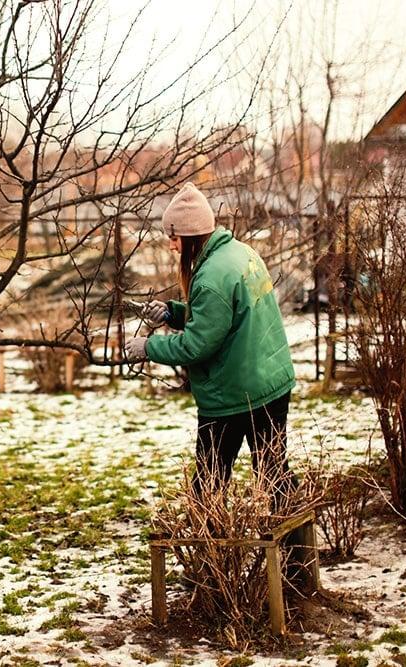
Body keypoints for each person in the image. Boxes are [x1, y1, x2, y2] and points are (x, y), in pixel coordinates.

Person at [124, 182, 297, 502]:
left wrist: (148, 348)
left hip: (233, 394)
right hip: (269, 383)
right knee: (275, 476)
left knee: (209, 483)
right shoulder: (241, 253)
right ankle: (297, 548)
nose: (172, 247)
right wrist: (173, 314)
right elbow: (226, 316)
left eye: (174, 238)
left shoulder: (211, 276)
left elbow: (196, 345)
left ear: (189, 237)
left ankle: (209, 548)